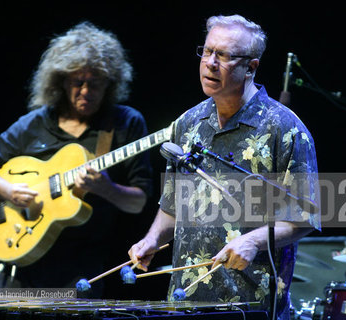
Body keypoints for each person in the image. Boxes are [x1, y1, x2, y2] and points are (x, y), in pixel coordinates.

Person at [128, 14, 320, 319]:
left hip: (250, 303)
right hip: (185, 299)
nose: (210, 63)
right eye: (207, 51)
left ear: (251, 67)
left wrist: (253, 240)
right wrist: (152, 239)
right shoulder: (188, 123)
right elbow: (172, 206)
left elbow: (307, 216)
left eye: (225, 56)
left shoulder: (285, 129)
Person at [0, 22, 152, 297]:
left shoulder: (126, 123)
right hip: (20, 266)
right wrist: (9, 191)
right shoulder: (35, 123)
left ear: (110, 83)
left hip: (82, 273)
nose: (86, 92)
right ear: (62, 81)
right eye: (78, 82)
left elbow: (139, 203)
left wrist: (106, 188)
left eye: (96, 84)